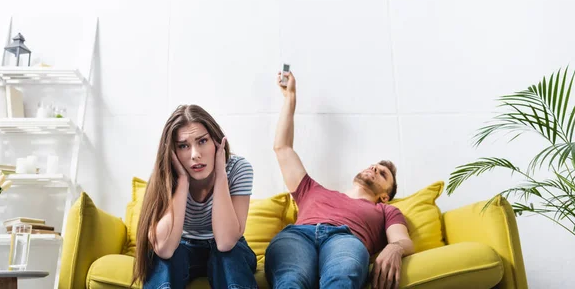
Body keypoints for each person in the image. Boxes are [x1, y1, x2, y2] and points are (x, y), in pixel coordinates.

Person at [265, 71, 414, 289]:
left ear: (385, 196)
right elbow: (282, 148)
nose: (374, 168)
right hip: (299, 236)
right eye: (373, 165)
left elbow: (402, 240)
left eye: (382, 173)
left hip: (346, 239)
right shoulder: (311, 190)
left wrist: (395, 248)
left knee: (341, 280)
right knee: (290, 280)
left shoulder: (386, 211)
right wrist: (290, 98)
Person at [132, 105, 258, 289]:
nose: (195, 155)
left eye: (202, 141)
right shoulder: (166, 174)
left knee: (228, 256)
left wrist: (221, 175)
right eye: (183, 146)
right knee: (165, 259)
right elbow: (165, 250)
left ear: (216, 141)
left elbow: (225, 242)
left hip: (230, 249)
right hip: (182, 246)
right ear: (173, 152)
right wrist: (182, 182)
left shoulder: (238, 169)